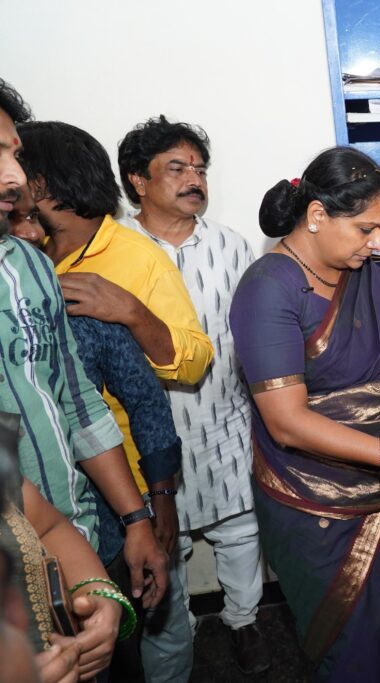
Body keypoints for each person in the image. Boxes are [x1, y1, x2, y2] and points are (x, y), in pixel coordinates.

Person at [229, 146, 380, 682]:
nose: (378, 242)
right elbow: (287, 422)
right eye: (366, 228)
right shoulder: (269, 289)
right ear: (316, 216)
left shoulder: (365, 276)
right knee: (356, 644)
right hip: (317, 499)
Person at [15, 118, 210, 683]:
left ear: (45, 183)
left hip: (134, 477)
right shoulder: (30, 258)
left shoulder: (135, 256)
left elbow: (193, 360)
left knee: (156, 614)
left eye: (17, 167)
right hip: (58, 488)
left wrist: (130, 310)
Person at [0, 76, 169, 633]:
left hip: (84, 536)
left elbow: (81, 405)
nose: (15, 178)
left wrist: (140, 516)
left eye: (15, 155)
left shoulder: (32, 272)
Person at [116, 116, 266, 674]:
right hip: (148, 431)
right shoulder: (118, 251)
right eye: (176, 168)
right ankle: (176, 630)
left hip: (224, 416)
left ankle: (245, 623)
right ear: (137, 180)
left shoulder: (231, 245)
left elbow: (250, 332)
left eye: (199, 169)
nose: (193, 179)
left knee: (240, 531)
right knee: (164, 543)